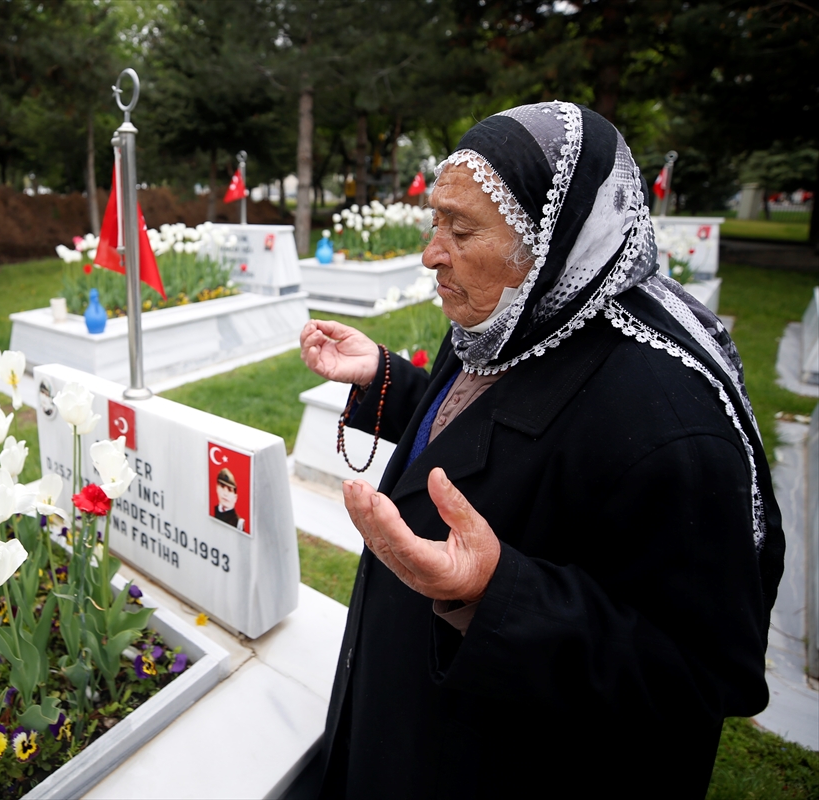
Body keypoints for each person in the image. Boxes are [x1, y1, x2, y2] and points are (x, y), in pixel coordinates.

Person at [299, 102, 783, 799]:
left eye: (462, 230)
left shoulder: (672, 426)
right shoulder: (514, 315)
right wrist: (385, 380)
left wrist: (491, 593)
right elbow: (484, 431)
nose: (432, 252)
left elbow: (703, 676)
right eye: (436, 220)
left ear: (553, 240)